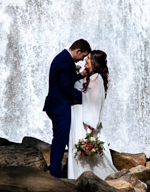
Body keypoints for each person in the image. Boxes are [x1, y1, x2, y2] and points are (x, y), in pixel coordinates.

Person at [43, 39, 90, 177]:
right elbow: (66, 88)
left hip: (57, 105)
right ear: (78, 51)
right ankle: (55, 173)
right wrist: (87, 99)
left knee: (63, 139)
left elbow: (65, 80)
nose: (82, 60)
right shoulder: (66, 61)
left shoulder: (63, 58)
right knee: (60, 140)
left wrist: (80, 75)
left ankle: (65, 170)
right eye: (83, 56)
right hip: (59, 107)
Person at [68, 49, 115, 180]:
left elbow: (94, 103)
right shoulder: (91, 77)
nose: (85, 60)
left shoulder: (96, 78)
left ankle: (86, 178)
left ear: (94, 62)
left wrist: (89, 128)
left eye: (88, 58)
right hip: (79, 117)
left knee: (85, 153)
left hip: (85, 122)